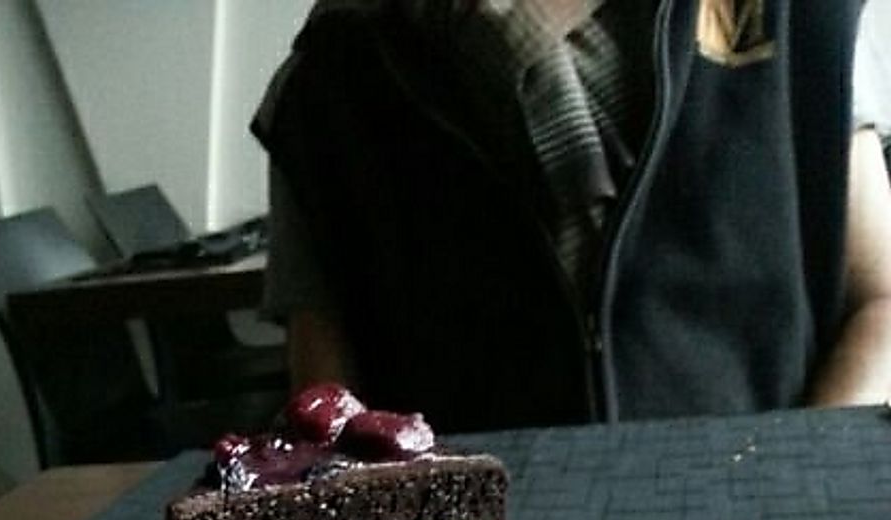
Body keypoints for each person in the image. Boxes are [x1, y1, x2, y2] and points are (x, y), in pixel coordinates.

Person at [252, 0, 891, 433]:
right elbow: (328, 405)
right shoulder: (336, 70)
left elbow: (881, 303)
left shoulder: (801, 16)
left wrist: (792, 477)